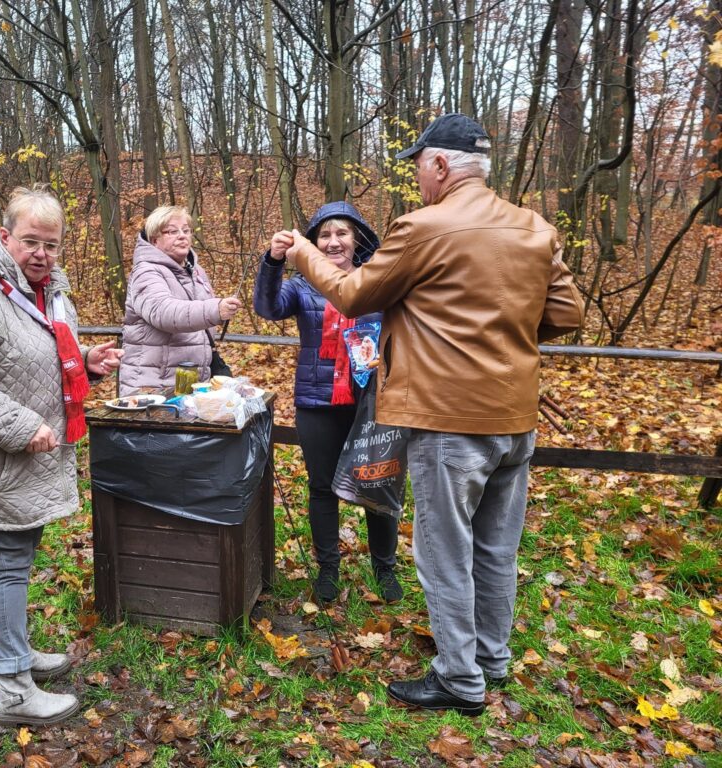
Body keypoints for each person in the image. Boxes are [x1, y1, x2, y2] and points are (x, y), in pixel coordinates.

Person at [277, 114, 584, 716]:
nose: (418, 178)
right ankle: (492, 660)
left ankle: (460, 680)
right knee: (496, 549)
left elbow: (353, 294)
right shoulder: (534, 227)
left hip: (449, 420)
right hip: (514, 417)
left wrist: (306, 252)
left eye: (419, 166)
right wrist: (501, 336)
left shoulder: (424, 227)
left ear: (441, 165)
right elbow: (566, 313)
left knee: (444, 553)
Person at [0, 186, 123, 728]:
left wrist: (85, 360)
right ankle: (12, 689)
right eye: (31, 241)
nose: (42, 254)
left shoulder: (49, 291)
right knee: (7, 568)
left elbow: (32, 356)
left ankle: (17, 652)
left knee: (18, 562)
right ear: (4, 237)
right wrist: (18, 425)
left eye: (51, 245)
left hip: (31, 458)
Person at [254, 202, 401, 604]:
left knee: (377, 483)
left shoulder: (377, 280)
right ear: (313, 243)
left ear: (358, 239)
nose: (333, 242)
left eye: (342, 233)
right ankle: (328, 570)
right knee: (321, 487)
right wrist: (273, 262)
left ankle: (384, 569)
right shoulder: (303, 286)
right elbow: (267, 307)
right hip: (317, 401)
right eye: (324, 235)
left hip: (372, 403)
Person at [119, 205, 241, 393]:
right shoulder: (146, 272)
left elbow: (201, 320)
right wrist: (215, 309)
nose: (182, 236)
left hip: (190, 383)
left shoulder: (196, 272)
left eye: (186, 230)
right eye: (172, 231)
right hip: (153, 386)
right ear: (155, 240)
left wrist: (223, 309)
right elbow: (163, 312)